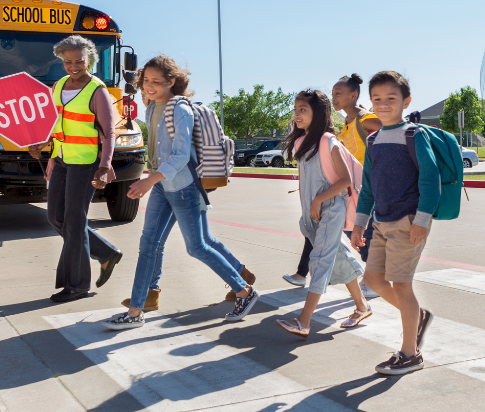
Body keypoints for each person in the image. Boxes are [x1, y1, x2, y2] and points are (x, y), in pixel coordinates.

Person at [103, 55, 259, 330]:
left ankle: (245, 291)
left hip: (183, 186)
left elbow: (180, 155)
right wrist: (150, 178)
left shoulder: (180, 110)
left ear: (171, 82)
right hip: (162, 185)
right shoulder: (151, 109)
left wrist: (149, 181)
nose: (149, 87)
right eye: (145, 81)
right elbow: (155, 152)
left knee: (197, 246)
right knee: (148, 245)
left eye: (156, 82)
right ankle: (136, 310)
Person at [351, 71, 438, 375]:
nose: (384, 104)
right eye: (377, 99)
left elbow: (430, 180)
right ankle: (416, 316)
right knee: (373, 280)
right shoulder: (373, 140)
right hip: (380, 222)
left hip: (408, 220)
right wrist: (360, 223)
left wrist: (422, 221)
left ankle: (409, 354)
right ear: (371, 103)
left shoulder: (415, 135)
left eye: (391, 98)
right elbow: (369, 186)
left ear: (406, 101)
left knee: (402, 284)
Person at [27, 35, 122, 303]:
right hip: (61, 159)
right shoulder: (57, 86)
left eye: (79, 61)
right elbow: (52, 122)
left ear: (89, 59)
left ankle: (78, 285)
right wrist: (41, 144)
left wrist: (104, 166)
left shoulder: (97, 90)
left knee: (75, 222)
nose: (74, 66)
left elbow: (109, 133)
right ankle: (105, 252)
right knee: (56, 217)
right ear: (61, 60)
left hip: (86, 162)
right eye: (68, 61)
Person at [274, 90, 371, 339]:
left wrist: (318, 200)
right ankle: (362, 306)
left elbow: (345, 181)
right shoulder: (300, 143)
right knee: (336, 256)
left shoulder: (329, 141)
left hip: (331, 209)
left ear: (317, 113)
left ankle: (303, 321)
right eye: (296, 109)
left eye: (303, 109)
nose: (297, 114)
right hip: (313, 214)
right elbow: (306, 181)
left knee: (320, 260)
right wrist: (307, 208)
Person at [284, 74, 382, 299]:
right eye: (333, 94)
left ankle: (375, 280)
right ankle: (362, 287)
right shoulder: (345, 124)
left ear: (353, 95)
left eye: (338, 93)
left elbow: (393, 131)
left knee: (361, 234)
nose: (334, 97)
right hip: (353, 188)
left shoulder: (365, 119)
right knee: (343, 233)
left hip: (367, 185)